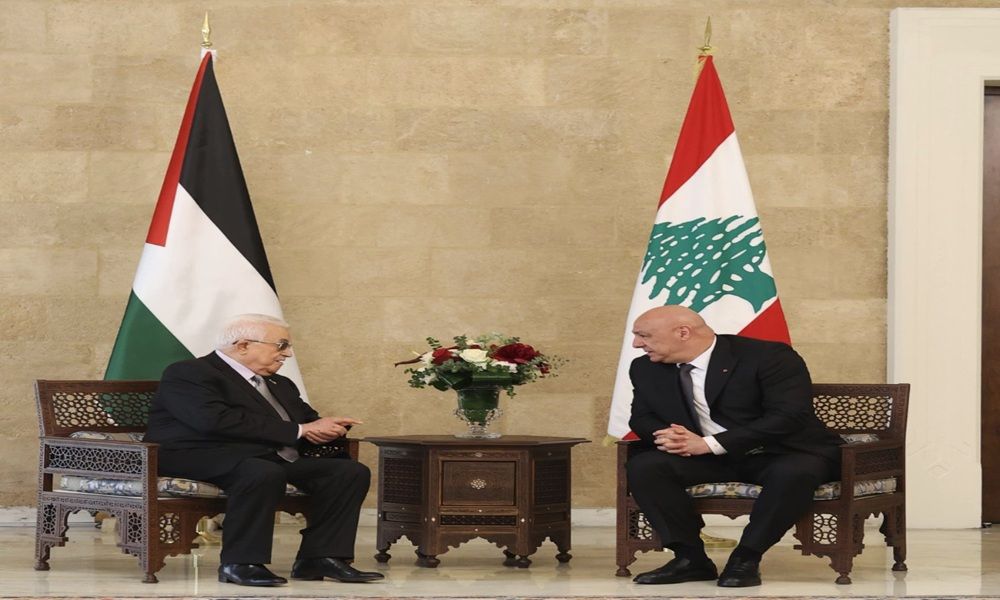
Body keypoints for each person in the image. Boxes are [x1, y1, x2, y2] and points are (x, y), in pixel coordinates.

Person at [144, 313, 382, 587]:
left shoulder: (280, 383)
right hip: (199, 454)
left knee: (349, 472)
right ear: (243, 345)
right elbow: (213, 421)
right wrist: (301, 430)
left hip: (265, 456)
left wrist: (326, 429)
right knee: (261, 472)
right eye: (281, 345)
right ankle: (240, 563)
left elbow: (304, 421)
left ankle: (321, 557)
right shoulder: (190, 373)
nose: (288, 354)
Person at [625, 306, 842, 587]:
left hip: (780, 451)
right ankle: (689, 559)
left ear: (683, 333)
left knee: (794, 473)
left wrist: (709, 444)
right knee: (646, 466)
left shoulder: (769, 356)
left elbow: (788, 416)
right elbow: (641, 418)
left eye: (644, 335)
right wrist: (670, 436)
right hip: (708, 458)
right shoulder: (645, 368)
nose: (636, 344)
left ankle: (746, 558)